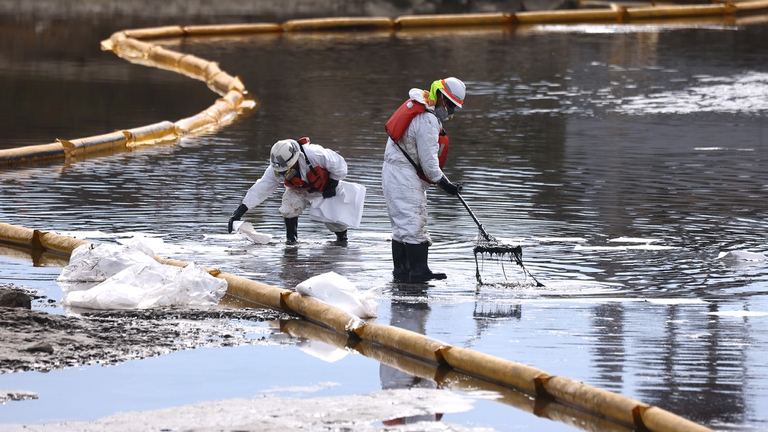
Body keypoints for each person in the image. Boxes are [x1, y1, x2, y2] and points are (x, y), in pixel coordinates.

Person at [382, 77, 466, 283]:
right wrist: (447, 185)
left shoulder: (419, 109)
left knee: (401, 226)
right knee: (413, 221)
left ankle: (402, 271)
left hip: (394, 173)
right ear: (440, 96)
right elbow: (429, 164)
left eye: (453, 107)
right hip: (402, 176)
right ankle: (419, 272)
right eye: (449, 104)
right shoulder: (427, 120)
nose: (450, 110)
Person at [228, 137, 348, 245]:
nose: (283, 174)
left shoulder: (315, 154)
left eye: (286, 170)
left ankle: (342, 240)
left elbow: (340, 165)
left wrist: (333, 183)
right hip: (299, 189)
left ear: (295, 159)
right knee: (289, 205)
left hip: (325, 187)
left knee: (334, 220)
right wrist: (239, 212)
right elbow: (261, 188)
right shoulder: (276, 167)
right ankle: (291, 241)